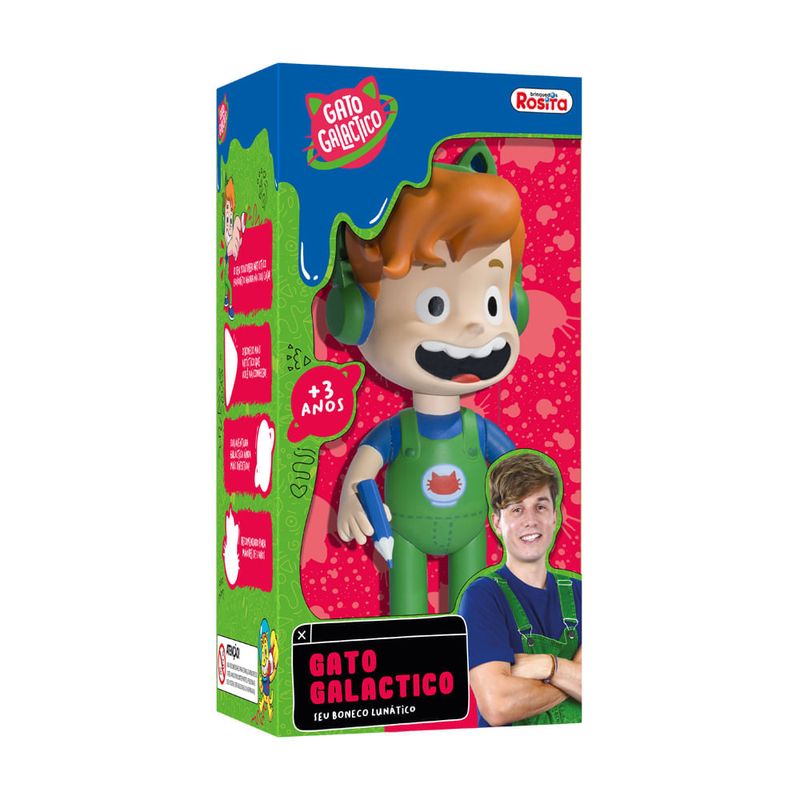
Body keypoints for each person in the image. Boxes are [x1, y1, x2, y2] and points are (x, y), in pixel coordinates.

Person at [328, 141, 530, 615]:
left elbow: (517, 470)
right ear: (357, 314)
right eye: (434, 306)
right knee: (408, 616)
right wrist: (354, 500)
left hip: (472, 531)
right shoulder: (397, 432)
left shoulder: (479, 431)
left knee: (474, 611)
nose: (475, 327)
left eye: (493, 304)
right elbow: (363, 471)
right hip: (403, 533)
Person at [458, 450, 582, 726]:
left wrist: (547, 666)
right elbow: (498, 705)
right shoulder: (482, 597)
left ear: (555, 516)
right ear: (497, 523)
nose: (530, 520)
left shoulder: (582, 593)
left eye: (540, 507)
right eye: (517, 509)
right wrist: (572, 675)